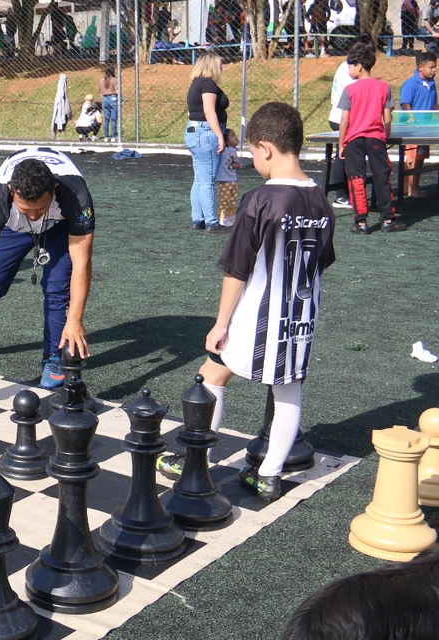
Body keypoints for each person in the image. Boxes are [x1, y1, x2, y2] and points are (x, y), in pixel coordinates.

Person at [156, 102, 336, 502]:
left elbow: (236, 269)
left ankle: (193, 459)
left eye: (253, 152)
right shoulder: (322, 201)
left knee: (211, 376)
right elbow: (322, 262)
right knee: (288, 390)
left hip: (257, 315)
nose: (252, 160)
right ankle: (269, 475)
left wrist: (221, 323)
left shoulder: (260, 200)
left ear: (267, 148)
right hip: (302, 317)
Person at [0, 148, 96, 389]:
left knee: (57, 288)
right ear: (12, 192)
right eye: (26, 209)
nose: (33, 216)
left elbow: (82, 262)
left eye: (39, 209)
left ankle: (53, 357)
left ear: (53, 191)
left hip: (59, 225)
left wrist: (75, 319)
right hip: (13, 227)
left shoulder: (76, 198)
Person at [338, 42, 407, 233]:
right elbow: (387, 118)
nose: (349, 70)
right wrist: (385, 134)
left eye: (350, 66)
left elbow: (344, 121)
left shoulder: (350, 90)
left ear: (359, 66)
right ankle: (388, 220)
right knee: (381, 177)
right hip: (376, 138)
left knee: (356, 178)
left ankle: (361, 222)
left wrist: (342, 143)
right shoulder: (384, 87)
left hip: (354, 140)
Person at [184, 51, 230, 232]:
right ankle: (211, 221)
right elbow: (209, 111)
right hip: (205, 132)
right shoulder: (208, 84)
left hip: (195, 132)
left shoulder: (196, 83)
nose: (222, 68)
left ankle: (198, 218)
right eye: (220, 64)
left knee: (200, 179)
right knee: (207, 181)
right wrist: (220, 135)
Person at [326, 36, 369, 208]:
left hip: (344, 117)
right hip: (342, 118)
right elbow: (354, 98)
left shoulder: (347, 66)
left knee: (346, 155)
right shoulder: (349, 70)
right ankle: (341, 196)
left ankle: (348, 193)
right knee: (342, 155)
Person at [398, 51, 437, 198]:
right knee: (412, 158)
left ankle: (413, 188)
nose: (434, 70)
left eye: (435, 67)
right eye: (431, 67)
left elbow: (433, 105)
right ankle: (410, 188)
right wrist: (410, 118)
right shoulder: (410, 84)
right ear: (421, 67)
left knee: (420, 158)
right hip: (412, 130)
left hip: (426, 128)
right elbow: (405, 104)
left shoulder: (432, 84)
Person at [216, 128, 241, 226]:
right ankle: (223, 217)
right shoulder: (224, 149)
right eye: (232, 135)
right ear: (226, 140)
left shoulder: (233, 149)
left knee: (233, 198)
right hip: (224, 179)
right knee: (225, 199)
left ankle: (230, 215)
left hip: (233, 179)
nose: (236, 137)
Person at [99, 68, 119, 142]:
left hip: (105, 98)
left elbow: (101, 93)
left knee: (106, 119)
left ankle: (106, 136)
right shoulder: (114, 80)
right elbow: (117, 91)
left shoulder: (101, 80)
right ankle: (113, 136)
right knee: (114, 118)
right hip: (113, 98)